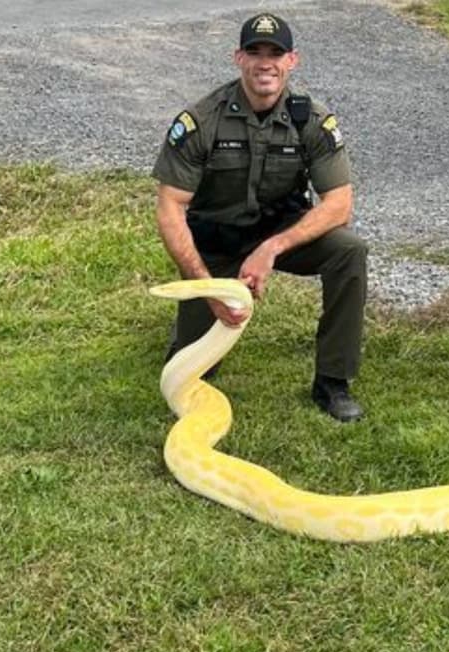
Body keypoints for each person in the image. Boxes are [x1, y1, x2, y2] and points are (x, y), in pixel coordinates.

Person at [152, 13, 366, 422]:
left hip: (278, 234)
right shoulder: (202, 121)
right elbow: (170, 208)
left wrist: (272, 248)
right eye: (255, 52)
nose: (265, 62)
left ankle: (333, 383)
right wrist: (206, 287)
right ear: (238, 58)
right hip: (216, 243)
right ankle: (193, 321)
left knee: (349, 252)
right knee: (190, 373)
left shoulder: (313, 121)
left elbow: (339, 204)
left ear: (292, 61)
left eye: (276, 53)